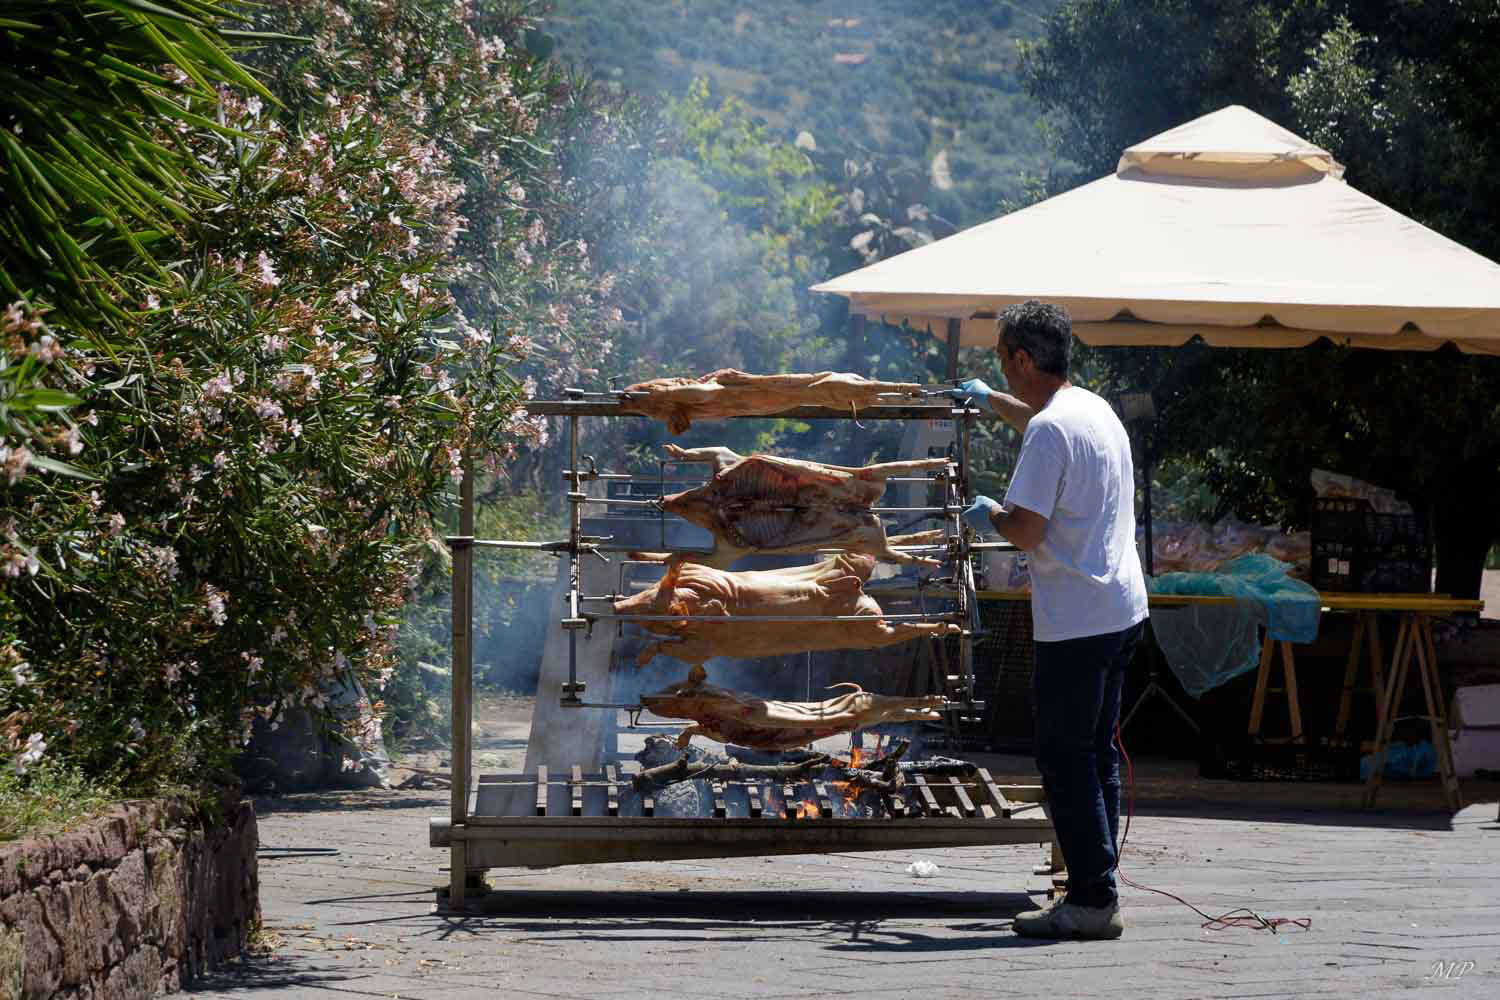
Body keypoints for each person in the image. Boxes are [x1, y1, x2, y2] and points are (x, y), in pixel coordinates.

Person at [946, 300, 1148, 940]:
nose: (1000, 372)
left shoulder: (1050, 431)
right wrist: (989, 403)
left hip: (1078, 621)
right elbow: (1037, 418)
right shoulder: (1092, 410)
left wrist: (989, 514)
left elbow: (1027, 530)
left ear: (1024, 358)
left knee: (1064, 757)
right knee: (1095, 752)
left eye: (1002, 362)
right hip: (1120, 610)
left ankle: (1091, 900)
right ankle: (1098, 884)